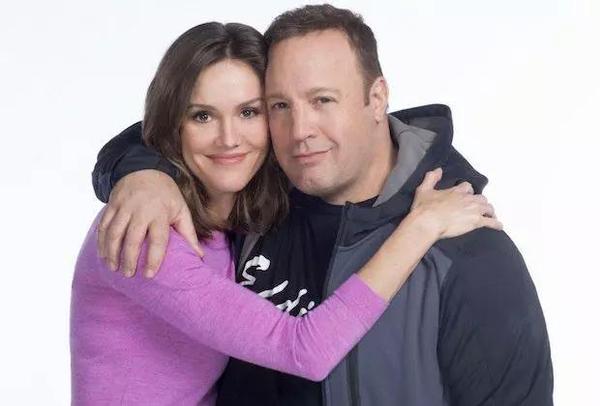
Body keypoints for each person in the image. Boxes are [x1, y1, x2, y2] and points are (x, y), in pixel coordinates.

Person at [91, 5, 553, 406]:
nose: (300, 131)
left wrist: (419, 229)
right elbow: (185, 123)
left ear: (377, 98)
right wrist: (142, 173)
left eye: (323, 100)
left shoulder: (465, 255)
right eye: (279, 106)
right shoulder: (240, 207)